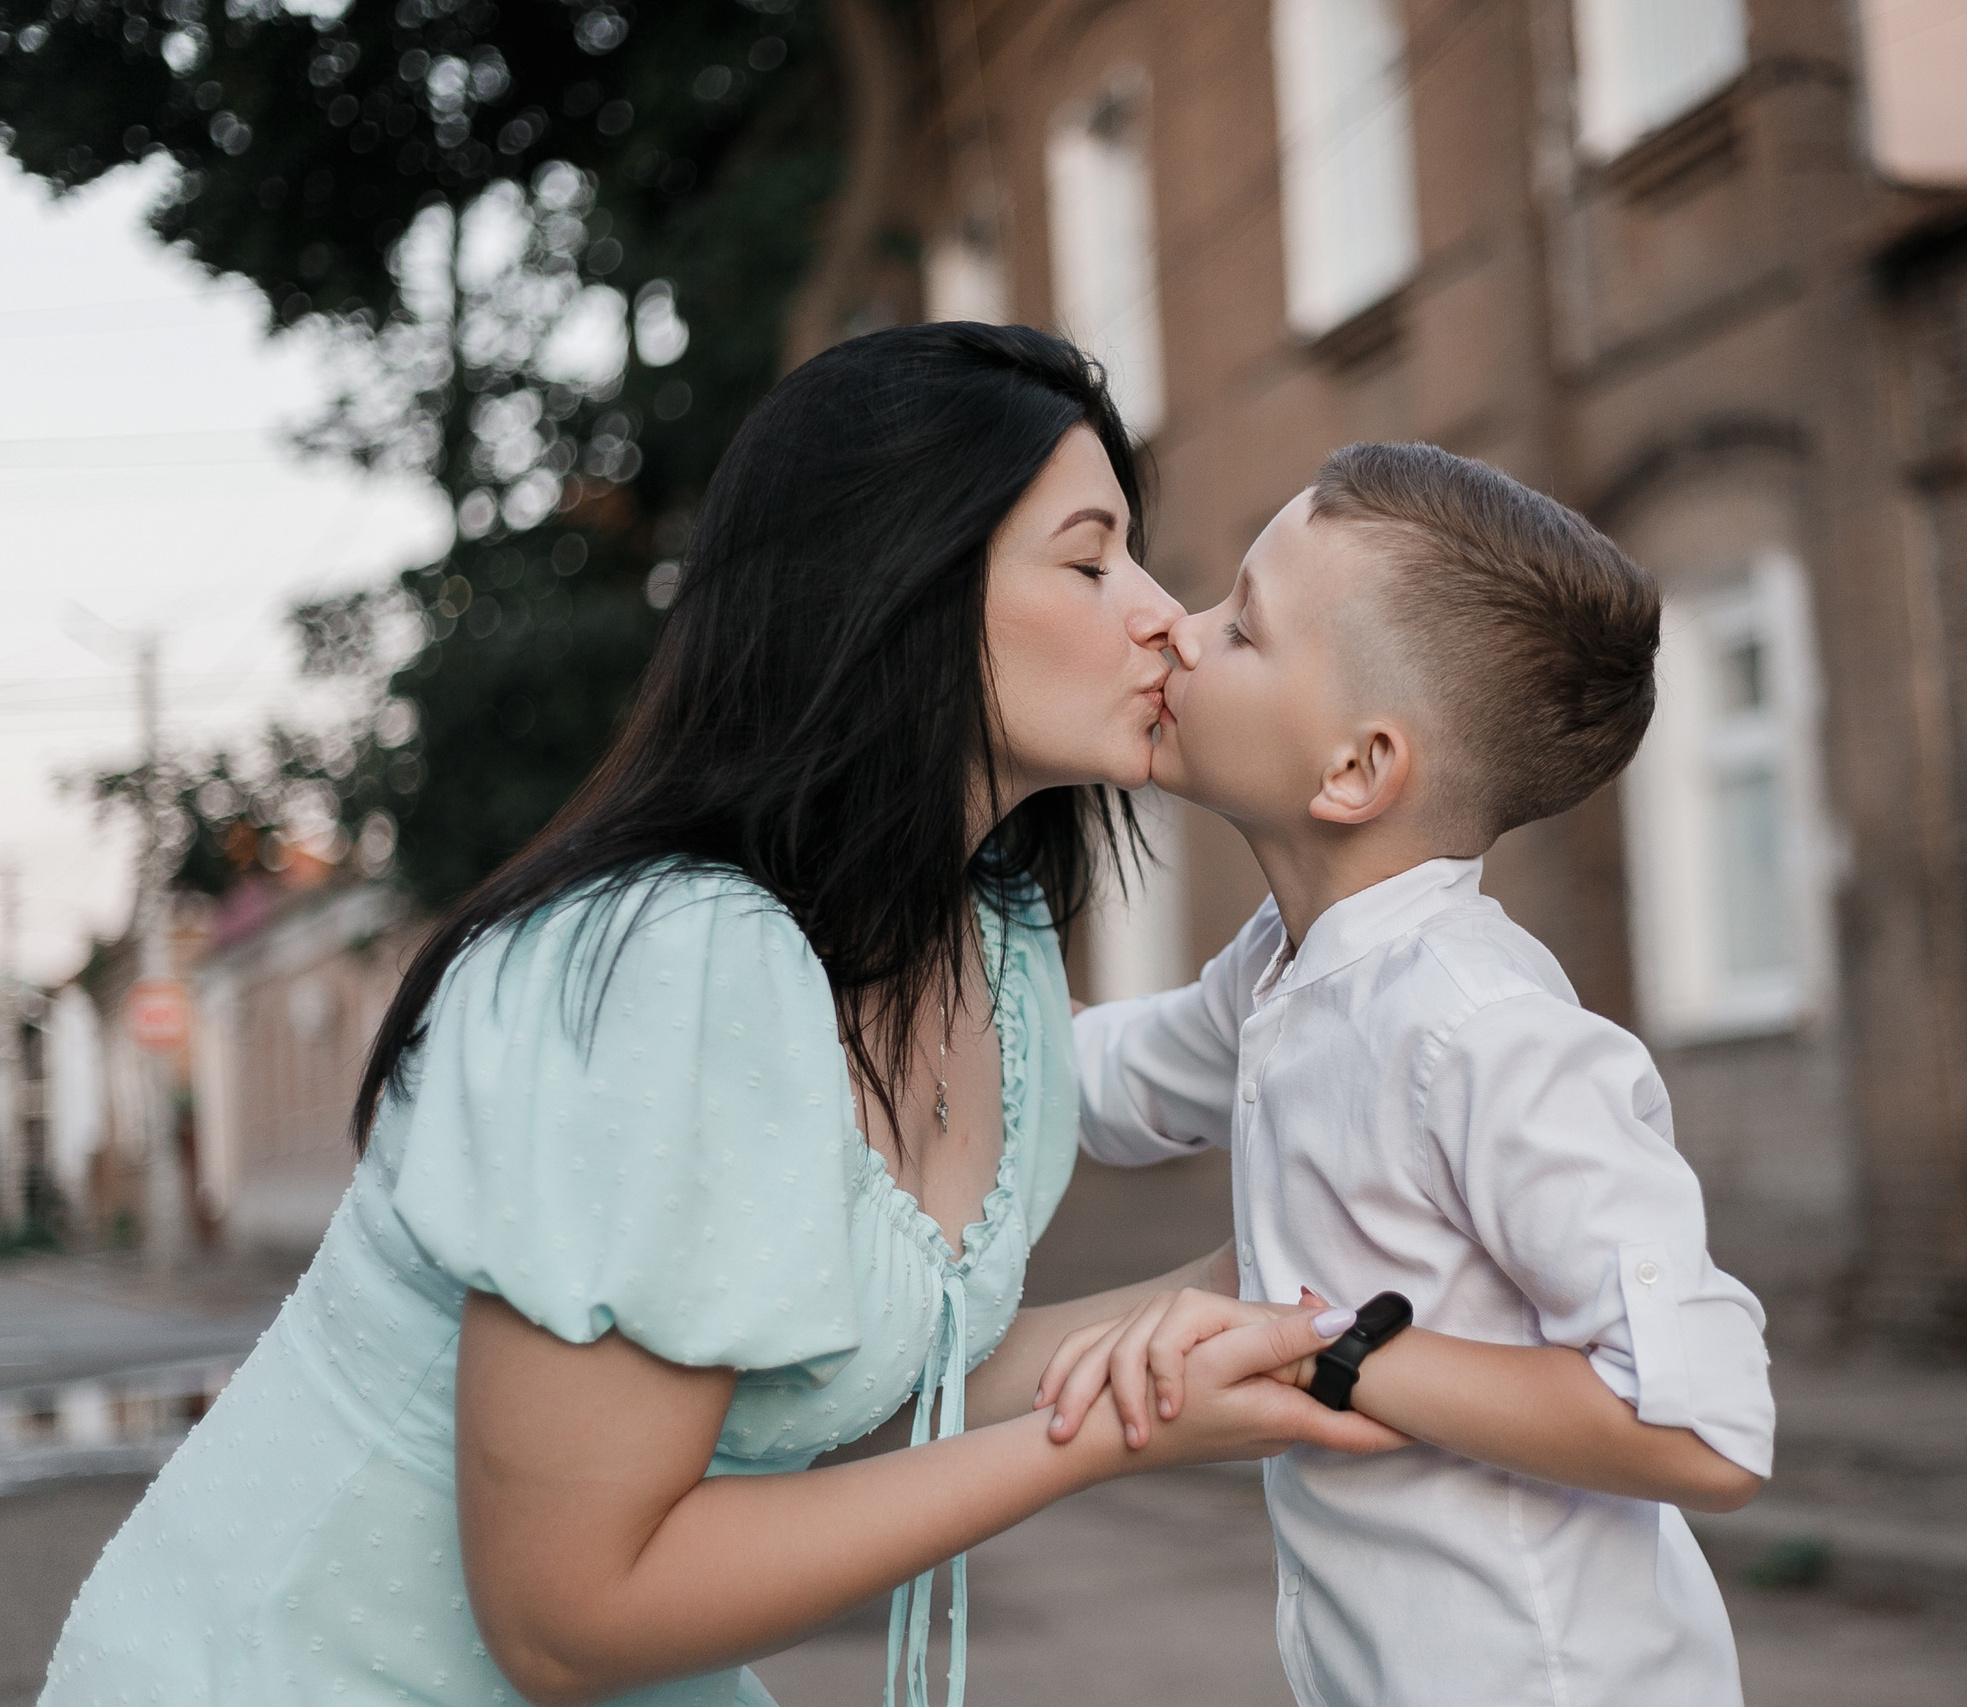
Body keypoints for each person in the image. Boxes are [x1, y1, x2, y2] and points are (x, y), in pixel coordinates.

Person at [40, 324, 1396, 1707]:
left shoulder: (994, 950)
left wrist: (1269, 1278)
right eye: (1090, 556)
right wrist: (1109, 1435)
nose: (1164, 611)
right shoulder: (674, 965)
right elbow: (567, 1613)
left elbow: (918, 1368)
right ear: (898, 581)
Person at [1050, 442, 1777, 1707]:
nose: (1176, 626)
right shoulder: (1283, 968)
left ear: (1355, 769)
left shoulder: (1478, 1028)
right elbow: (1087, 1087)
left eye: (1242, 625)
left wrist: (1318, 1350)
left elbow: (1702, 1429)